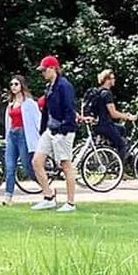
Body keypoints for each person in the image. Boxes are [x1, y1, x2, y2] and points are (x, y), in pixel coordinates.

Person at [32, 55, 77, 213]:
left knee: (66, 165)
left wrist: (64, 129)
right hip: (50, 129)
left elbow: (70, 110)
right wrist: (43, 129)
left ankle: (70, 203)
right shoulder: (49, 87)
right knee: (37, 161)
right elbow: (46, 111)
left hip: (63, 131)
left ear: (52, 68)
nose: (43, 73)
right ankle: (49, 196)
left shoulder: (64, 86)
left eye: (44, 70)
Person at [2, 74, 41, 204]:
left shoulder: (29, 103)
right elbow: (9, 122)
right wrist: (7, 137)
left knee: (27, 166)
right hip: (12, 135)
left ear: (22, 86)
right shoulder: (11, 104)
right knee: (10, 166)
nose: (13, 87)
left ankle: (46, 187)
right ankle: (8, 197)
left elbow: (38, 121)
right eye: (12, 84)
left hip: (23, 135)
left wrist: (40, 138)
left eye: (16, 84)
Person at [86, 67, 138, 159]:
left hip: (96, 125)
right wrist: (127, 116)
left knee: (122, 129)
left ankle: (112, 154)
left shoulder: (98, 92)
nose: (114, 80)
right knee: (122, 146)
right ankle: (120, 168)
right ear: (107, 80)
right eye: (113, 78)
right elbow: (113, 113)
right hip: (105, 125)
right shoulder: (107, 94)